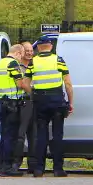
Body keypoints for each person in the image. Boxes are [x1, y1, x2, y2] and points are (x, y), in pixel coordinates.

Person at [26, 35, 73, 177]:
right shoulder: (59, 60)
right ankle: (58, 168)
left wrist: (34, 94)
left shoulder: (33, 62)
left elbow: (26, 84)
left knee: (41, 135)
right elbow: (68, 84)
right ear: (51, 46)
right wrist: (70, 102)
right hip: (57, 101)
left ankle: (39, 169)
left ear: (39, 47)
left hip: (40, 101)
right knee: (58, 135)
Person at [0, 45, 31, 177]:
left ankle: (3, 164)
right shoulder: (12, 63)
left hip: (2, 102)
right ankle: (7, 167)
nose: (22, 59)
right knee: (11, 136)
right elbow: (20, 84)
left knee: (4, 134)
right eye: (23, 54)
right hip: (12, 104)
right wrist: (33, 92)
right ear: (18, 53)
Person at [17, 42, 36, 172]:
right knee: (20, 134)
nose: (29, 53)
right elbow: (22, 84)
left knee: (34, 135)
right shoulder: (17, 67)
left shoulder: (36, 65)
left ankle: (33, 165)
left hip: (34, 102)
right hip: (23, 102)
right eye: (27, 50)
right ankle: (16, 163)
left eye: (31, 50)